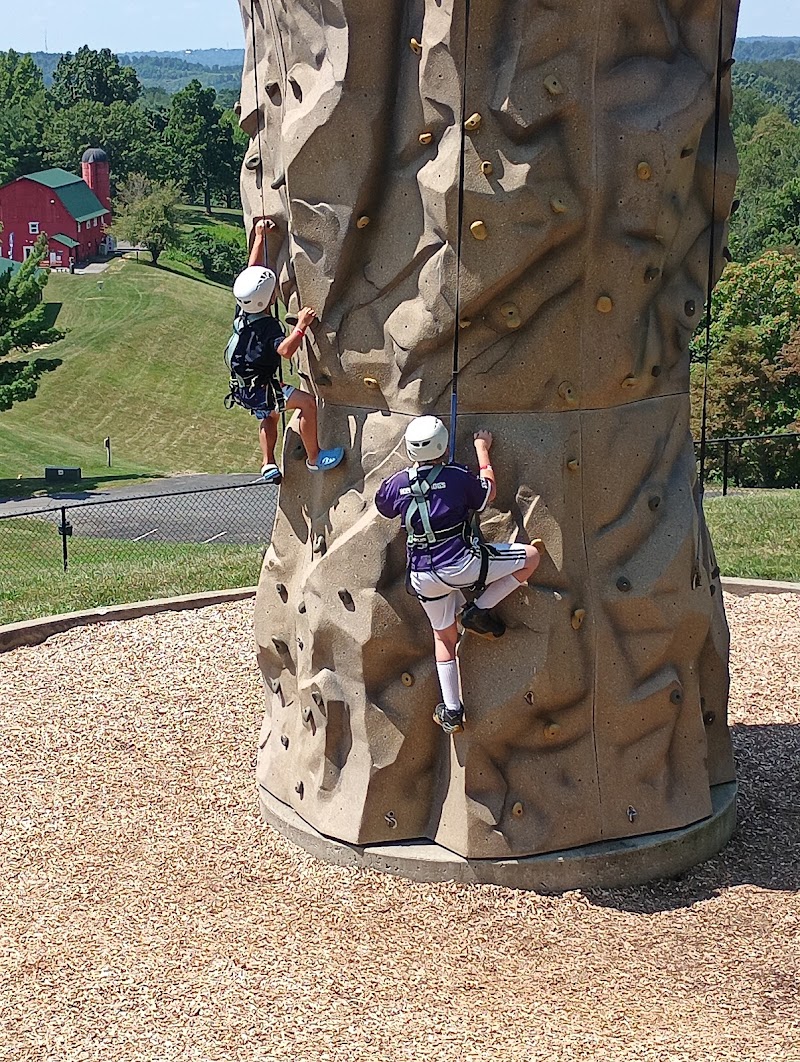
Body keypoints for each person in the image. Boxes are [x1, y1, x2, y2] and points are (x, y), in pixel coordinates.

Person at [375, 416, 543, 735]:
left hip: (423, 575)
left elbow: (384, 504)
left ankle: (452, 710)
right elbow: (487, 493)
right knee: (530, 558)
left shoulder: (398, 482)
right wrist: (481, 448)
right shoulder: (455, 476)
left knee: (443, 636)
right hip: (462, 565)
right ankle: (478, 609)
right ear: (444, 446)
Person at [229, 218, 344, 483]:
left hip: (243, 388)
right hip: (264, 388)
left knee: (268, 416)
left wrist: (260, 237)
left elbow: (252, 271)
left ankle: (267, 462)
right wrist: (301, 326)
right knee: (306, 403)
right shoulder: (268, 326)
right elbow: (285, 350)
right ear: (268, 300)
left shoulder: (244, 311)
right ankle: (315, 457)